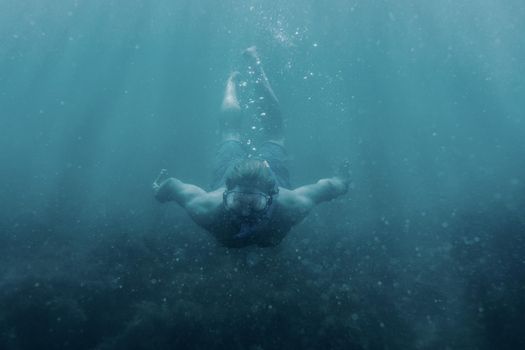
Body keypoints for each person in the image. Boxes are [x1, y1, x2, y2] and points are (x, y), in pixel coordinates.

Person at [153, 46, 350, 248]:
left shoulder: (291, 205)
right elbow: (172, 187)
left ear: (272, 195)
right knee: (270, 133)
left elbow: (327, 188)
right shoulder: (206, 207)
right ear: (225, 194)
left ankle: (254, 70)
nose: (245, 213)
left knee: (234, 133)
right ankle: (234, 80)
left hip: (268, 172)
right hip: (236, 171)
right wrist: (160, 191)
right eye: (238, 201)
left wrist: (342, 183)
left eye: (255, 204)